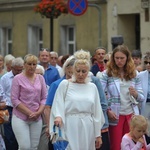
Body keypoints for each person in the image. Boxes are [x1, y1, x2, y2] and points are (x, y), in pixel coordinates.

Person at [50, 49, 105, 150]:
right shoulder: (65, 84)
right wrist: (58, 116)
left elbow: (97, 112)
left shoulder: (92, 87)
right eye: (78, 71)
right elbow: (58, 103)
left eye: (83, 71)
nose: (80, 74)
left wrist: (98, 135)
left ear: (88, 72)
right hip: (70, 124)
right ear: (73, 70)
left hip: (88, 126)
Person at [100, 45, 145, 150]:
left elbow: (141, 97)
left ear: (127, 58)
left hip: (131, 115)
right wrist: (108, 110)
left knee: (131, 145)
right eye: (117, 58)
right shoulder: (107, 74)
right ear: (113, 58)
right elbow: (101, 95)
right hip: (115, 115)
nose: (119, 61)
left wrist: (135, 94)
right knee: (116, 146)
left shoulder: (135, 74)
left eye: (122, 58)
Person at [11, 54, 47, 150]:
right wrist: (29, 113)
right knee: (24, 146)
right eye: (29, 64)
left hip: (36, 117)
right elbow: (14, 100)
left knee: (34, 147)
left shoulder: (40, 78)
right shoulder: (17, 79)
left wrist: (38, 112)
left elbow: (44, 98)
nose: (32, 67)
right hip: (20, 117)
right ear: (24, 64)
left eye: (34, 64)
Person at [0, 57, 24, 150]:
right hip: (9, 109)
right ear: (12, 68)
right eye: (17, 70)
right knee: (10, 136)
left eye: (20, 70)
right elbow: (2, 94)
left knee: (20, 135)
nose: (19, 72)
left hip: (21, 109)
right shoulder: (5, 78)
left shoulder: (24, 77)